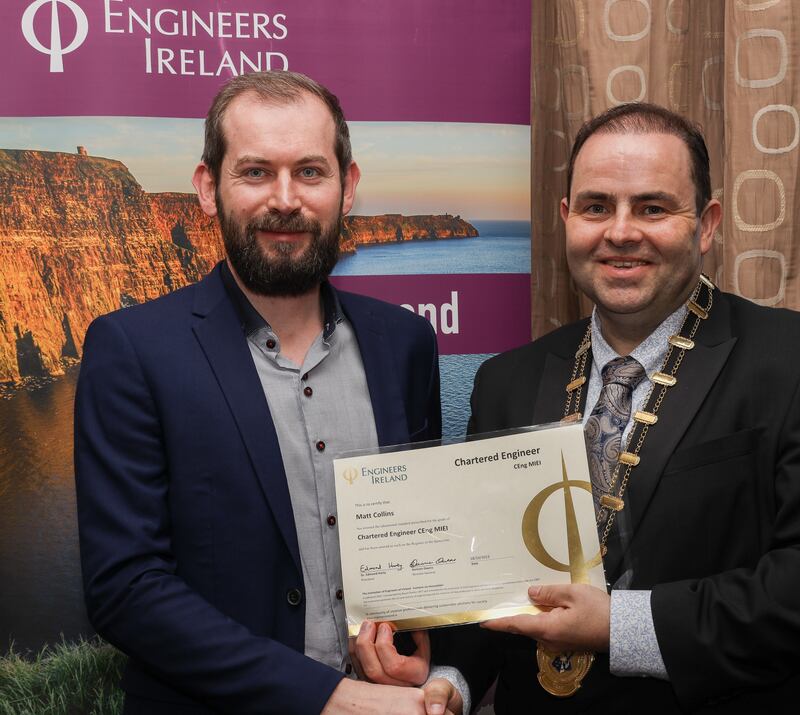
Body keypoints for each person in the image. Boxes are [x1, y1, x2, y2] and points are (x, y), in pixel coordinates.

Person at [359, 102, 800, 712]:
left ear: (705, 224)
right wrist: (451, 681)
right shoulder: (504, 381)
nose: (621, 231)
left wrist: (620, 626)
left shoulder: (787, 359)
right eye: (596, 206)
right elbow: (488, 576)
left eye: (652, 207)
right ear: (567, 219)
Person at [74, 70, 446, 714]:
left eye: (309, 171)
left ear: (347, 187)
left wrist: (419, 644)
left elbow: (423, 542)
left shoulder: (405, 344)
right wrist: (332, 698)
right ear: (207, 188)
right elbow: (126, 589)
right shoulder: (132, 350)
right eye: (254, 172)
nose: (284, 199)